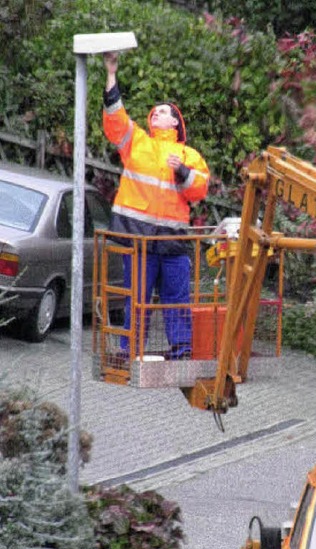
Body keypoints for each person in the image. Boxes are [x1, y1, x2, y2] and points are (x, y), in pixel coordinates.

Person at [102, 51, 210, 360]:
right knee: (137, 299)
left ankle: (182, 350)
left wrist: (183, 171)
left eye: (163, 111)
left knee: (176, 299)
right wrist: (111, 74)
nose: (156, 114)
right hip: (139, 239)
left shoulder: (189, 155)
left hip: (171, 242)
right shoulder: (136, 141)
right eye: (154, 111)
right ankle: (130, 351)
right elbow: (115, 118)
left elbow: (199, 190)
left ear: (175, 120)